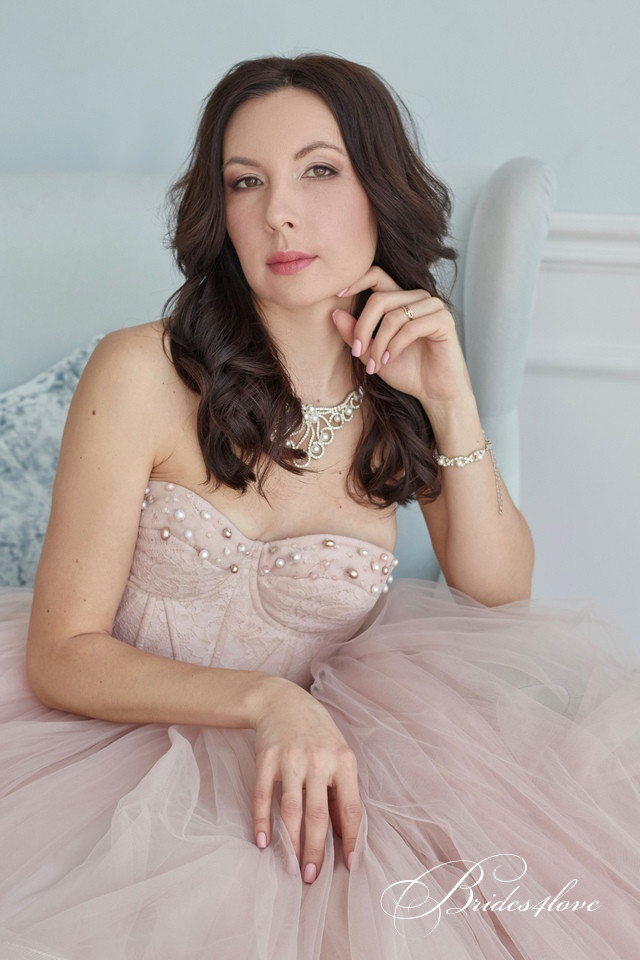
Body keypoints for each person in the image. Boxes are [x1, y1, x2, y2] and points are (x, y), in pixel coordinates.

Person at [0, 53, 638, 960]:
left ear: (380, 189)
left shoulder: (398, 389)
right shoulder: (141, 371)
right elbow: (63, 654)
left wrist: (451, 398)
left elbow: (499, 595)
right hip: (116, 761)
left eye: (319, 170)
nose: (279, 213)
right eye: (245, 182)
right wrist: (265, 702)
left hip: (335, 764)